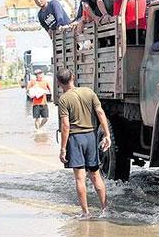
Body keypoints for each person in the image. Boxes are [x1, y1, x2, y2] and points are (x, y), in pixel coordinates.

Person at [56, 68, 111, 218]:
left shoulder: (64, 99)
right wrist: (107, 134)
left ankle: (86, 213)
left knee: (80, 178)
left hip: (75, 139)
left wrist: (62, 149)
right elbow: (100, 113)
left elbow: (65, 125)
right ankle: (105, 209)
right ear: (73, 77)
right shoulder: (89, 92)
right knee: (95, 175)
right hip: (91, 137)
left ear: (59, 83)